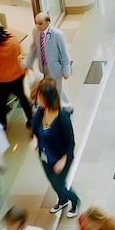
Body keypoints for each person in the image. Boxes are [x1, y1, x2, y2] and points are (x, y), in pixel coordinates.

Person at [30, 77, 81, 217]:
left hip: (61, 158)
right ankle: (63, 200)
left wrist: (63, 160)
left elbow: (71, 143)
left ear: (48, 98)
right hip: (45, 156)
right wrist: (35, 139)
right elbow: (35, 130)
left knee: (58, 183)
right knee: (53, 183)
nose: (37, 100)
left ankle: (75, 200)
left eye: (40, 97)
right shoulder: (40, 112)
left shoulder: (62, 118)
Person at [0, 19, 34, 129]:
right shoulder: (13, 39)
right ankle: (31, 118)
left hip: (1, 80)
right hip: (17, 75)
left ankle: (2, 123)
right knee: (22, 97)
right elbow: (19, 53)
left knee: (1, 102)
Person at [25, 12, 74, 114]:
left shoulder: (57, 34)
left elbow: (64, 53)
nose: (37, 25)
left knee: (57, 90)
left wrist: (66, 70)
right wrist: (28, 64)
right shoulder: (36, 31)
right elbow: (34, 48)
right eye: (36, 23)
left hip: (55, 67)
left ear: (48, 23)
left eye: (40, 23)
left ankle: (60, 111)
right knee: (55, 88)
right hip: (43, 66)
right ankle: (67, 107)